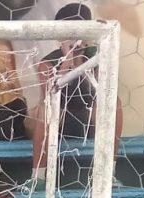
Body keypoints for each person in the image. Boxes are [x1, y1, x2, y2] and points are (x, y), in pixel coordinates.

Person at [29, 3, 123, 182]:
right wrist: (67, 62)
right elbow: (49, 95)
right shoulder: (47, 63)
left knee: (115, 103)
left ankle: (108, 173)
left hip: (89, 118)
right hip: (60, 119)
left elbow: (103, 90)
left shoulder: (98, 56)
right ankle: (38, 177)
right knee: (44, 110)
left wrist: (83, 63)